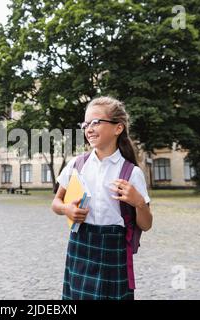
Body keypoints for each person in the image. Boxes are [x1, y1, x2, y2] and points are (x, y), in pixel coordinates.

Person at [51, 96, 153, 300]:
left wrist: (139, 202)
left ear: (118, 128)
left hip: (113, 249)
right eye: (86, 124)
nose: (89, 128)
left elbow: (146, 224)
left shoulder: (131, 172)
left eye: (96, 122)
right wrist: (66, 210)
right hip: (80, 243)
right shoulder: (76, 165)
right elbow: (56, 202)